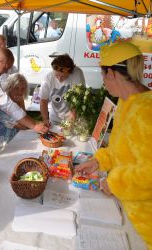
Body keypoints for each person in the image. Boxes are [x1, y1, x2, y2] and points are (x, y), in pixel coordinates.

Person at [75, 42, 152, 249]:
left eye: (103, 75)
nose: (103, 82)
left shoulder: (146, 110)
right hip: (126, 209)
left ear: (112, 73)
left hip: (145, 227)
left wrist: (115, 182)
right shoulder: (126, 101)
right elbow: (120, 148)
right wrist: (98, 161)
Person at [39, 54, 85, 126]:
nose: (59, 79)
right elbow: (43, 101)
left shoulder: (77, 74)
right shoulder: (48, 77)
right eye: (56, 75)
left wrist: (72, 120)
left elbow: (78, 99)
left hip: (74, 117)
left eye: (63, 76)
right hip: (55, 118)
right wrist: (45, 120)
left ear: (70, 72)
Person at [0, 73, 29, 154]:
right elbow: (24, 126)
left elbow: (25, 119)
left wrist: (21, 102)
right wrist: (21, 102)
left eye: (22, 89)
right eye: (16, 88)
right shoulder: (2, 104)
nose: (20, 92)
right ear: (9, 87)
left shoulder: (17, 100)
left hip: (12, 141)